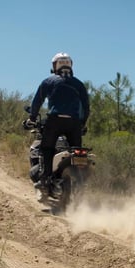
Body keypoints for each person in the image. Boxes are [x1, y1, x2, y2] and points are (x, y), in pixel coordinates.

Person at [26, 52, 90, 196]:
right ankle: (81, 184)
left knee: (46, 148)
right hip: (74, 124)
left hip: (54, 121)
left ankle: (45, 179)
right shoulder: (79, 84)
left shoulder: (48, 81)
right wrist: (82, 123)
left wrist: (32, 118)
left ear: (55, 66)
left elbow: (37, 102)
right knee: (77, 151)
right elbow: (86, 107)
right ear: (70, 65)